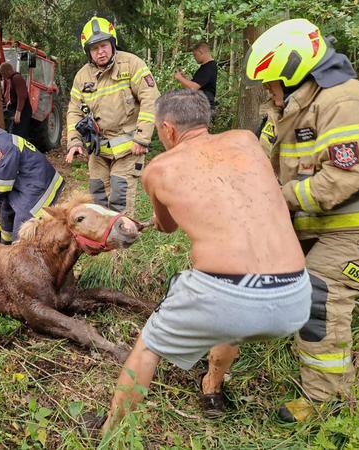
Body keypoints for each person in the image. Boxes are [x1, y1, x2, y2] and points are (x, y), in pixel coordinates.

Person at [101, 90, 311, 432]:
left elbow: (167, 226)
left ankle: (114, 429)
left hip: (226, 296)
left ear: (167, 129)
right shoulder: (246, 140)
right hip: (294, 296)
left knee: (148, 346)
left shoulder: (158, 168)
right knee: (230, 325)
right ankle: (211, 386)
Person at [245, 18, 359, 422]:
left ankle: (326, 404)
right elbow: (262, 158)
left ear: (294, 72)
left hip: (352, 231)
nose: (268, 92)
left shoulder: (343, 101)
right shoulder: (294, 107)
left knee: (321, 298)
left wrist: (281, 199)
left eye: (272, 83)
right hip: (316, 227)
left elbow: (346, 174)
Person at [66, 16, 160, 216]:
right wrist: (74, 141)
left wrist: (142, 138)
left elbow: (150, 99)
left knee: (119, 198)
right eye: (94, 48)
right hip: (98, 150)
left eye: (104, 46)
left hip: (128, 148)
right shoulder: (82, 76)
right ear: (88, 52)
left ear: (112, 43)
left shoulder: (131, 64)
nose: (100, 52)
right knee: (98, 198)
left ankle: (122, 245)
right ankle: (104, 245)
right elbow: (74, 110)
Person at [0, 114, 64, 243]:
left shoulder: (2, 146)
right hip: (21, 183)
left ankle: (21, 255)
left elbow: (3, 183)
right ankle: (6, 250)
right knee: (6, 215)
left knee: (22, 227)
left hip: (37, 185)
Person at [173, 41, 218, 110]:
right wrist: (184, 79)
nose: (194, 57)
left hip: (203, 107)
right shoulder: (205, 67)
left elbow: (193, 88)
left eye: (195, 55)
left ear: (201, 52)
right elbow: (190, 88)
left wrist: (180, 78)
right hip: (199, 105)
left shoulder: (209, 67)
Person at [0, 62, 33, 141]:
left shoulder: (17, 78)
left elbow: (22, 96)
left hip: (23, 111)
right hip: (19, 110)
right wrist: (10, 102)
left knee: (17, 135)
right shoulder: (12, 79)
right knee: (14, 133)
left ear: (8, 71)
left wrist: (18, 112)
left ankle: (20, 152)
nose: (3, 77)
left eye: (3, 74)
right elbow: (16, 94)